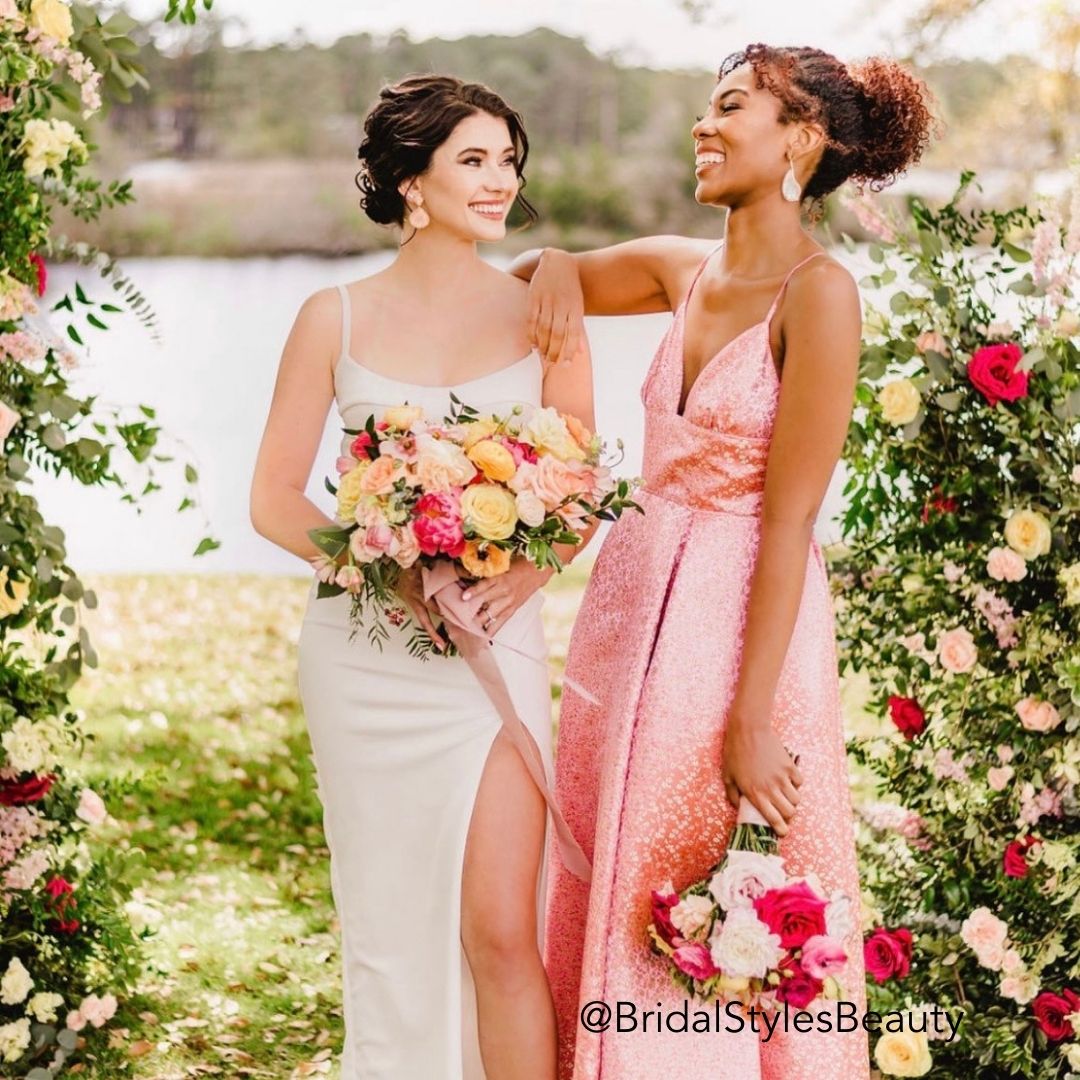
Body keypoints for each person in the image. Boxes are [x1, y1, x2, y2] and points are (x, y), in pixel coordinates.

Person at [512, 43, 937, 1080]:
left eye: (732, 108)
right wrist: (561, 263)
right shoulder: (678, 267)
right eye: (705, 108)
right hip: (628, 599)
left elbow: (789, 522)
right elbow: (530, 279)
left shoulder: (820, 293)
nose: (704, 126)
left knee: (699, 866)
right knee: (606, 853)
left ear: (801, 138)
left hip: (737, 620)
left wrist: (753, 719)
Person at [250, 74, 596, 1080]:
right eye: (474, 160)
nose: (503, 181)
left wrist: (523, 579)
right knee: (391, 934)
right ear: (410, 178)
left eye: (510, 160)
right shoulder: (334, 317)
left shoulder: (545, 309)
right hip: (366, 660)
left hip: (492, 651)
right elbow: (276, 502)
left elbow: (576, 493)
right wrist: (385, 570)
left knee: (499, 929)